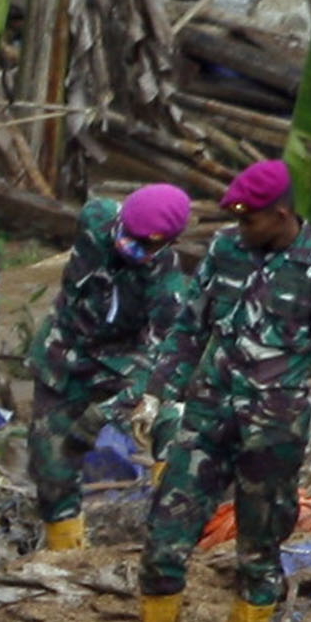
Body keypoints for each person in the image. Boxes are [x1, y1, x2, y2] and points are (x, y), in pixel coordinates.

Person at [117, 158, 311, 622]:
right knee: (164, 539)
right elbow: (191, 325)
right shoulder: (226, 252)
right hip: (208, 416)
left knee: (258, 555)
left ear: (282, 213)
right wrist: (154, 390)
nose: (241, 228)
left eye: (252, 220)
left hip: (274, 433)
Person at [26, 180, 199, 553]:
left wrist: (106, 412)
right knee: (50, 463)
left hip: (122, 364)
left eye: (144, 244)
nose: (129, 247)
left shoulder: (167, 286)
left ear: (170, 244)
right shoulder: (95, 219)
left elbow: (164, 360)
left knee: (171, 418)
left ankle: (173, 537)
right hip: (63, 353)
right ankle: (65, 554)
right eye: (127, 236)